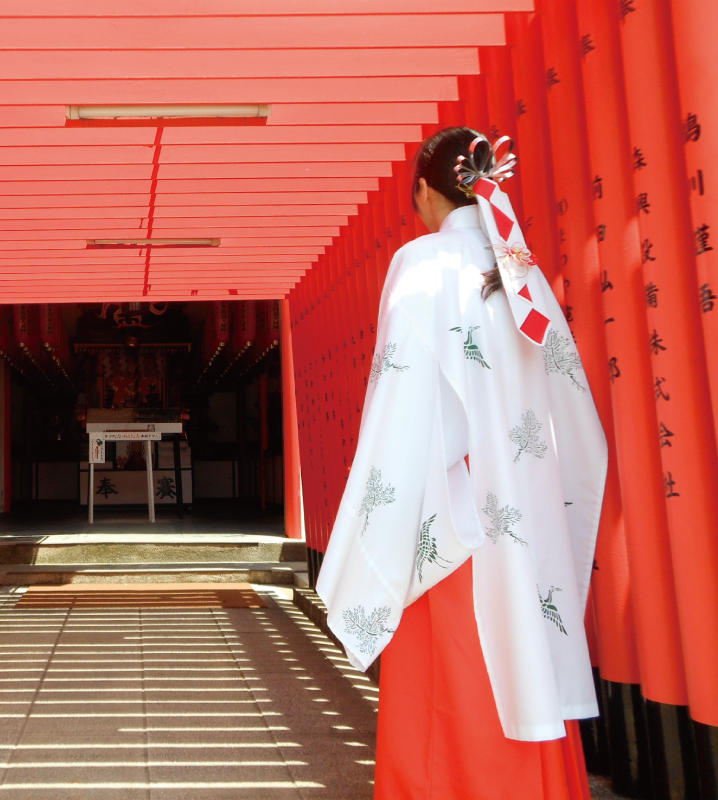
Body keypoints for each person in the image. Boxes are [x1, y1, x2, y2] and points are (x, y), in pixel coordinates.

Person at [316, 128, 604, 799]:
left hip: (455, 518)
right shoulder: (522, 273)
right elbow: (571, 409)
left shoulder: (421, 264)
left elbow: (403, 398)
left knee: (454, 681)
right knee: (524, 664)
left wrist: (373, 528)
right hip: (525, 510)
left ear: (422, 189)